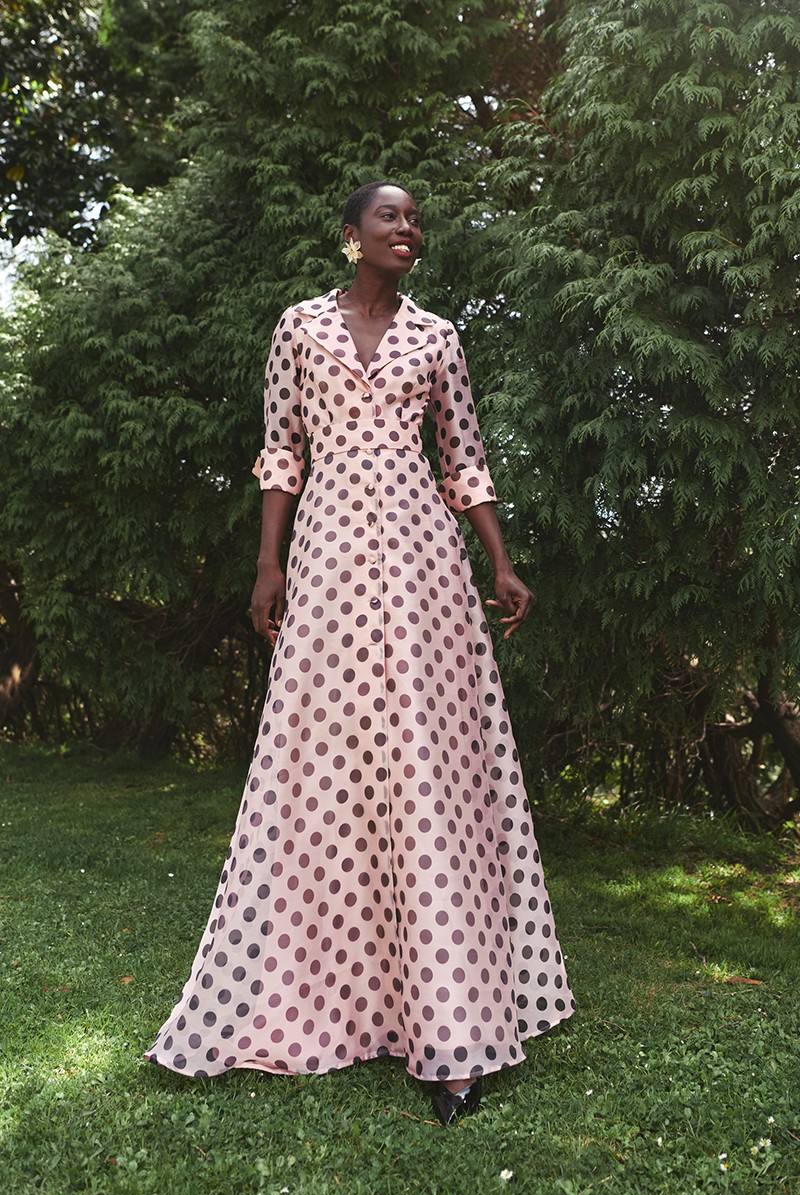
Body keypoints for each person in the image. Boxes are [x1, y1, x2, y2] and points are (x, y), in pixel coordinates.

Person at [144, 181, 575, 1125]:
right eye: (391, 217)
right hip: (330, 555)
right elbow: (280, 453)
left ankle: (453, 1031)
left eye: (417, 218)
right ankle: (327, 996)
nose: (408, 228)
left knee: (429, 765)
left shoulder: (441, 339)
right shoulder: (298, 328)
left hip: (424, 560)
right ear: (351, 236)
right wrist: (267, 567)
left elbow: (465, 461)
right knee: (330, 765)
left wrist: (500, 562)